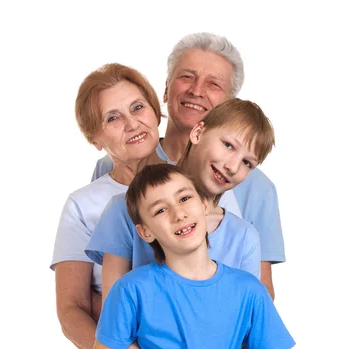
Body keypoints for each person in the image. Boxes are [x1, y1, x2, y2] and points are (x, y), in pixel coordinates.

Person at [86, 97, 275, 349]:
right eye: (228, 145)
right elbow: (111, 314)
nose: (233, 166)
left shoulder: (244, 237)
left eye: (247, 162)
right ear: (197, 133)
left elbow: (252, 332)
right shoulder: (122, 211)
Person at [92, 32, 284, 299]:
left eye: (214, 84)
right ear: (166, 88)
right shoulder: (116, 166)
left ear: (228, 105)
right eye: (187, 77)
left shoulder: (255, 192)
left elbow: (258, 295)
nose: (196, 90)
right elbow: (102, 289)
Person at [85, 164, 295, 349]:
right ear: (145, 232)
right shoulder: (130, 290)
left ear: (204, 204)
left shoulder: (249, 291)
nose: (179, 214)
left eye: (184, 198)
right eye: (160, 210)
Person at [51, 63, 162, 349]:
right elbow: (71, 312)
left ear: (156, 112)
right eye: (112, 118)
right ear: (95, 138)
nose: (132, 124)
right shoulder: (82, 206)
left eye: (138, 107)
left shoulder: (201, 188)